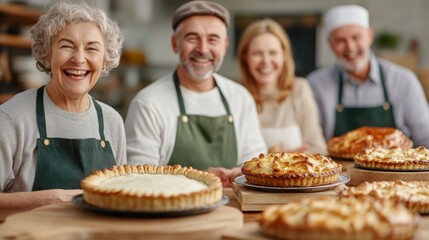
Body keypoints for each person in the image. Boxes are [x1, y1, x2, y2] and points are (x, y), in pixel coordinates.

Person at [0, 2, 126, 212]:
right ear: (46, 53)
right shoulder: (13, 118)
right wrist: (50, 200)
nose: (79, 59)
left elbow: (121, 199)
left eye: (92, 49)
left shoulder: (112, 121)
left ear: (105, 59)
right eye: (66, 46)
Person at [125, 1, 267, 186]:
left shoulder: (240, 98)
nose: (203, 49)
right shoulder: (148, 103)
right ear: (175, 44)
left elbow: (257, 163)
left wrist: (240, 173)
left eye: (213, 39)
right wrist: (198, 178)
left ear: (224, 46)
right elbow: (138, 178)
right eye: (192, 38)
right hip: (170, 211)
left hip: (232, 209)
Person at [307, 5, 429, 147]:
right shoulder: (315, 84)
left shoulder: (403, 80)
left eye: (356, 37)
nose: (350, 47)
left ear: (370, 36)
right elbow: (312, 141)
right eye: (340, 40)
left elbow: (425, 136)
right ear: (330, 44)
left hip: (396, 166)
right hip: (338, 169)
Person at [237, 19, 327, 155]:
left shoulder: (300, 88)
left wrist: (280, 161)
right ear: (245, 57)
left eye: (273, 53)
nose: (266, 62)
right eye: (257, 53)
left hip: (296, 175)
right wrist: (284, 157)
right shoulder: (237, 94)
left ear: (284, 55)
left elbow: (318, 148)